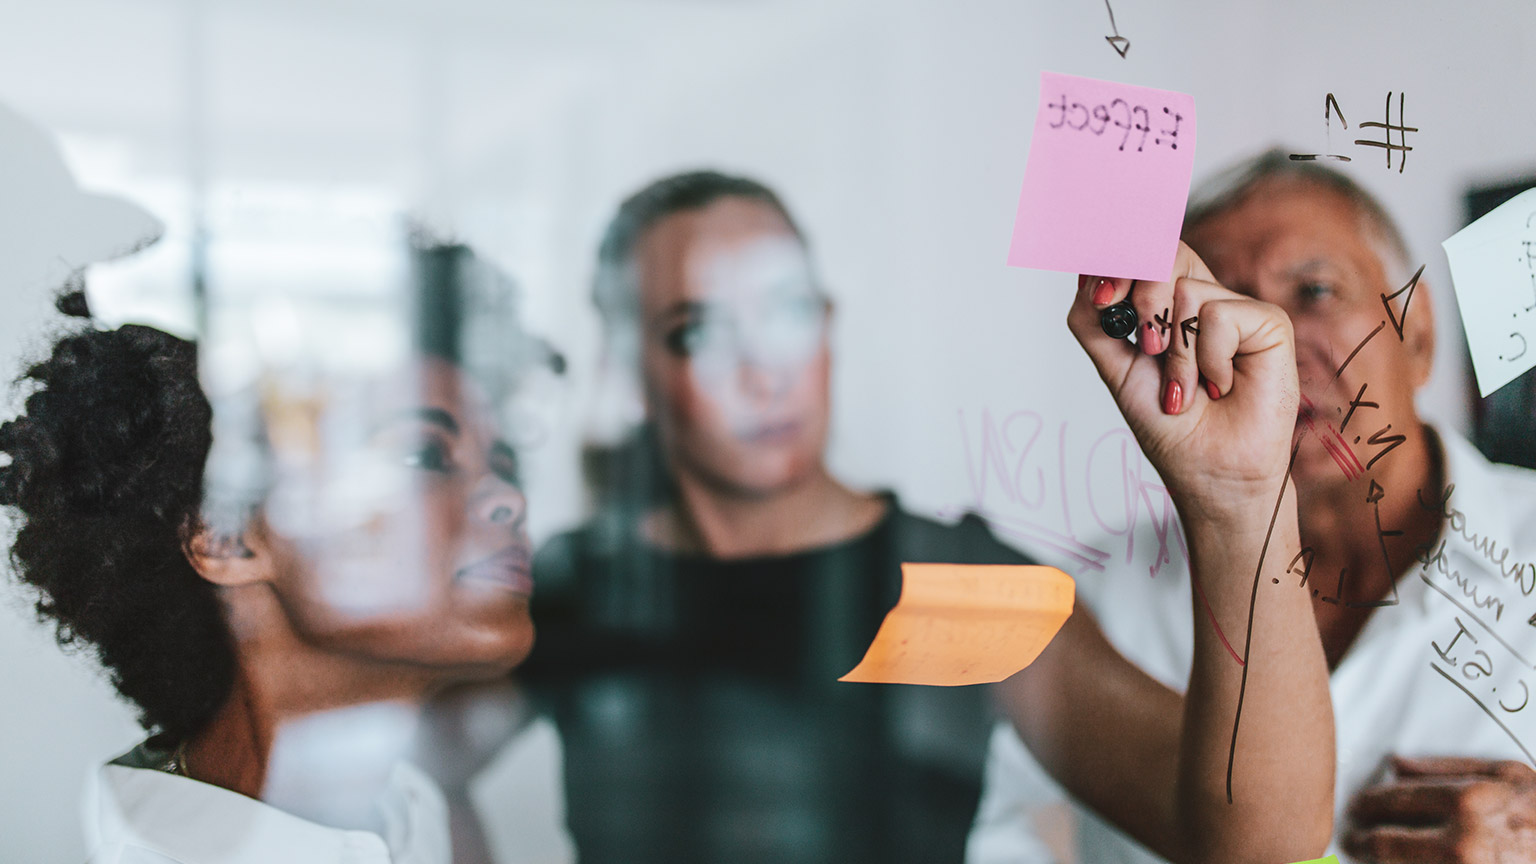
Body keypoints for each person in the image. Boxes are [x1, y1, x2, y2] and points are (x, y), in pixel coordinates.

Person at [523, 169, 1336, 864]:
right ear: (625, 371)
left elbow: (1263, 850)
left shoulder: (960, 585)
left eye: (789, 311)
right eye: (696, 330)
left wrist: (1240, 503)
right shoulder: (570, 586)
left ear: (830, 328)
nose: (763, 370)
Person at [969, 150, 1536, 864]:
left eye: (1316, 291)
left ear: (1417, 332)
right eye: (1215, 311)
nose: (1272, 342)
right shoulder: (1091, 605)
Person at [1, 242, 573, 864]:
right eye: (423, 455)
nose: (508, 499)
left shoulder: (414, 808)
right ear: (226, 537)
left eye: (504, 460)